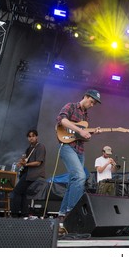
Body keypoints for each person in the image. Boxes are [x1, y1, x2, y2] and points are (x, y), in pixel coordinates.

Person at [56, 89, 101, 220]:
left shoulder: (86, 116)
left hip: (80, 150)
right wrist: (80, 132)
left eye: (94, 104)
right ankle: (73, 212)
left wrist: (91, 133)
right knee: (80, 176)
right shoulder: (71, 106)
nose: (92, 105)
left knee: (74, 181)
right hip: (66, 147)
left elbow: (81, 136)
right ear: (86, 97)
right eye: (91, 102)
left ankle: (62, 213)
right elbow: (62, 120)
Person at [10, 129, 46, 218]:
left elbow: (38, 162)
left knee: (16, 192)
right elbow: (25, 161)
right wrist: (21, 162)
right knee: (24, 193)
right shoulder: (29, 148)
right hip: (26, 172)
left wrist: (26, 164)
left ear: (37, 137)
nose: (31, 138)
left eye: (33, 136)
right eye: (29, 136)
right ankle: (24, 214)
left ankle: (14, 214)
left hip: (33, 174)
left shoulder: (40, 147)